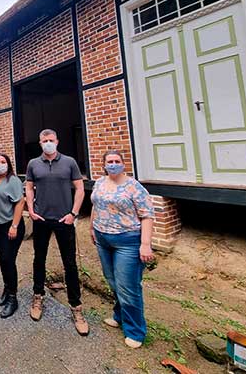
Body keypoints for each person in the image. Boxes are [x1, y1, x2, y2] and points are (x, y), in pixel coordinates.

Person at [25, 129, 88, 336]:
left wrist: (74, 213)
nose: (48, 143)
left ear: (57, 141)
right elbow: (29, 188)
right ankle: (38, 296)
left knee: (69, 263)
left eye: (51, 140)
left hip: (64, 219)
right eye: (45, 141)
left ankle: (76, 307)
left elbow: (79, 189)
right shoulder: (33, 164)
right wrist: (31, 210)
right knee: (39, 259)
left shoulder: (69, 162)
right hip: (42, 219)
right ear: (40, 143)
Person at [90, 150, 154, 349]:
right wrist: (92, 227)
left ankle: (135, 331)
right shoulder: (100, 183)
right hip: (102, 238)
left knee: (128, 286)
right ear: (104, 164)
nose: (113, 164)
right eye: (110, 161)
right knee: (113, 281)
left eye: (117, 161)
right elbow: (95, 205)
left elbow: (147, 215)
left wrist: (145, 244)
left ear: (123, 164)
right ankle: (119, 315)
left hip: (127, 241)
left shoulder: (134, 187)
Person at [0, 153, 26, 318]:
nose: (0, 164)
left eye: (3, 162)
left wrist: (14, 226)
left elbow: (20, 202)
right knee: (3, 259)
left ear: (8, 164)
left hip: (11, 226)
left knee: (8, 260)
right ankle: (7, 288)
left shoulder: (13, 181)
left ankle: (13, 297)